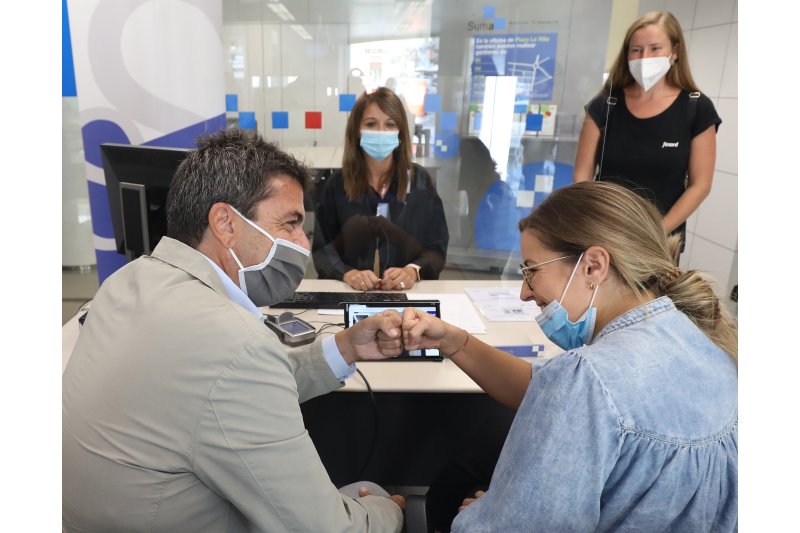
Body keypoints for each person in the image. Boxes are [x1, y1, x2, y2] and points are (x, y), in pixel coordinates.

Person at [62, 129, 407, 532]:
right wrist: (393, 510)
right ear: (225, 223)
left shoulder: (126, 282)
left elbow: (221, 389)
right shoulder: (235, 344)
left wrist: (344, 348)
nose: (301, 243)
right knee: (373, 494)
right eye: (291, 224)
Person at [390, 181, 738, 531]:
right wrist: (454, 341)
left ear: (593, 266)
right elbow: (544, 388)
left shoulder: (587, 378)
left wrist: (492, 510)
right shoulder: (700, 342)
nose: (525, 293)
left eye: (532, 270)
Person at [573, 11, 721, 253]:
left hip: (660, 243)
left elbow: (700, 185)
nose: (644, 57)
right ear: (626, 54)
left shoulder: (696, 109)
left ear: (675, 52)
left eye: (655, 48)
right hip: (605, 238)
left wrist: (655, 232)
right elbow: (582, 176)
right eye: (636, 50)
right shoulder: (605, 105)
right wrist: (597, 225)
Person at [313, 86, 449, 291]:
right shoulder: (336, 184)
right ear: (357, 131)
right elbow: (323, 250)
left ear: (400, 133)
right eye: (371, 124)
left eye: (390, 124)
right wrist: (347, 274)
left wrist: (412, 271)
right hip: (350, 294)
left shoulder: (420, 182)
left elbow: (436, 247)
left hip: (406, 296)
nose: (381, 132)